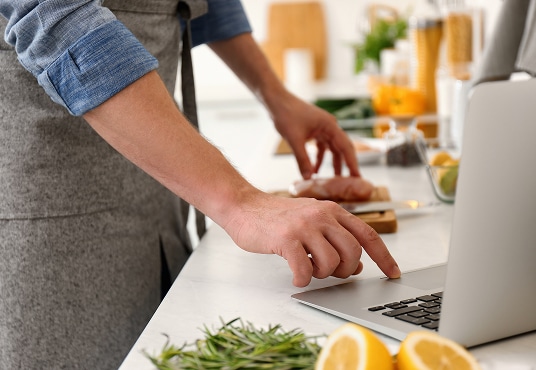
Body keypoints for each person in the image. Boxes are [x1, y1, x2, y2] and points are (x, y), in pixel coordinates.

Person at [0, 0, 400, 368]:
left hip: (159, 179)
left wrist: (276, 96)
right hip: (47, 207)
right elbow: (55, 15)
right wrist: (239, 201)